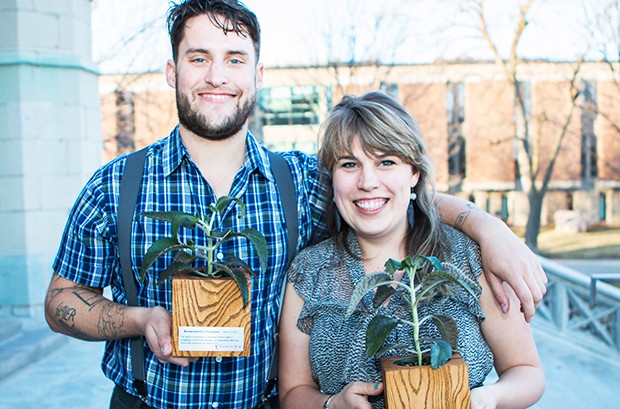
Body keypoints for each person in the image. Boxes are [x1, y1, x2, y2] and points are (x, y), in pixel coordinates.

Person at [44, 1, 545, 408]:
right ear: (172, 71)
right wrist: (139, 319)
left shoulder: (301, 180)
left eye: (235, 59)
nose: (217, 75)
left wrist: (487, 228)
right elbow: (59, 301)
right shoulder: (116, 185)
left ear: (257, 74)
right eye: (199, 58)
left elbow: (382, 193)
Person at [278, 91, 545, 409]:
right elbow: (293, 392)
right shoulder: (311, 271)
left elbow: (526, 371)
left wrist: (488, 398)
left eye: (386, 162)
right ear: (332, 178)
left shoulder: (469, 257)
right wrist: (332, 405)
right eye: (349, 164)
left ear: (414, 172)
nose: (368, 181)